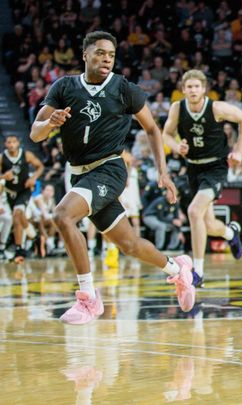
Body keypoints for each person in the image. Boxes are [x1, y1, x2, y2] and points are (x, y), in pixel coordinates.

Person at [30, 31, 196, 325]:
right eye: (100, 53)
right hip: (80, 175)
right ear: (85, 55)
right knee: (129, 245)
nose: (106, 59)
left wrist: (162, 171)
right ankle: (177, 269)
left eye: (111, 55)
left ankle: (88, 298)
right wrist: (50, 122)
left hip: (109, 169)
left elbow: (153, 129)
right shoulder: (65, 87)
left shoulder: (124, 88)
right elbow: (35, 132)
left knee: (62, 215)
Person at [162, 69, 242, 286]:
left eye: (196, 86)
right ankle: (231, 233)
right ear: (183, 90)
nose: (192, 90)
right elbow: (166, 134)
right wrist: (176, 146)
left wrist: (238, 150)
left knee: (193, 211)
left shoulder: (216, 107)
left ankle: (198, 273)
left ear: (203, 89)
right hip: (193, 168)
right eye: (188, 87)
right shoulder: (177, 108)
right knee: (208, 224)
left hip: (215, 167)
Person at [1, 134, 44, 263]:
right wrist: (3, 176)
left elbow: (40, 166)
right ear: (5, 144)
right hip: (10, 192)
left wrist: (33, 178)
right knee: (18, 218)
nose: (12, 144)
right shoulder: (2, 158)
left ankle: (20, 250)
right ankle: (35, 237)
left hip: (24, 190)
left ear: (18, 143)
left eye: (14, 142)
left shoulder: (26, 155)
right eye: (9, 142)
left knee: (17, 213)